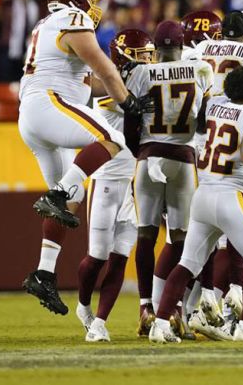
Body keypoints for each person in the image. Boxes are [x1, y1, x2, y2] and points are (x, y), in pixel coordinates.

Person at [19, 0, 147, 315]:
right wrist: (128, 101)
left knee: (73, 197)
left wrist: (120, 84)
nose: (94, 3)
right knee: (112, 139)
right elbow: (102, 67)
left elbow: (88, 83)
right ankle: (59, 192)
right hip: (49, 103)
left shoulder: (48, 23)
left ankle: (44, 273)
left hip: (36, 112)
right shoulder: (71, 18)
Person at [150, 66, 243, 343]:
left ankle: (159, 325)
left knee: (187, 264)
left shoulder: (216, 107)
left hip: (203, 195)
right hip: (231, 195)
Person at [125, 20, 213, 336]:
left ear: (156, 47)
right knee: (181, 239)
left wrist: (141, 153)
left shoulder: (140, 72)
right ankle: (174, 309)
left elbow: (130, 123)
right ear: (181, 44)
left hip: (149, 154)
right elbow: (202, 125)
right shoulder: (199, 70)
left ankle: (146, 306)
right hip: (184, 158)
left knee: (145, 236)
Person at [75, 29, 155, 342]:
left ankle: (100, 323)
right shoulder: (109, 87)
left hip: (132, 181)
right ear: (123, 56)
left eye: (150, 55)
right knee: (97, 257)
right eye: (141, 55)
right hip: (106, 180)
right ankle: (83, 305)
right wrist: (136, 101)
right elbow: (112, 99)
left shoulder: (141, 83)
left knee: (120, 256)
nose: (148, 61)